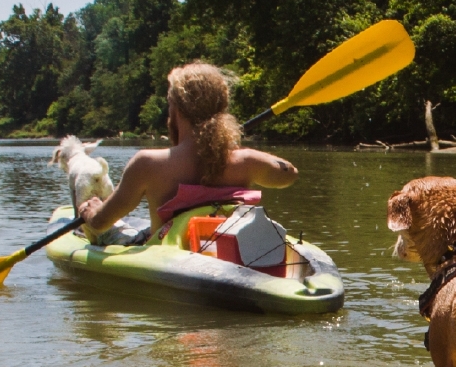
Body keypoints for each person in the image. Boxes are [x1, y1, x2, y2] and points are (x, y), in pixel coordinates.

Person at [77, 63, 298, 240]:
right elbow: (289, 175)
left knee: (101, 232)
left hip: (165, 257)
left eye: (170, 103)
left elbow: (100, 223)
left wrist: (90, 212)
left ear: (177, 109)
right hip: (221, 253)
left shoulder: (147, 164)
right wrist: (246, 154)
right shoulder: (245, 162)